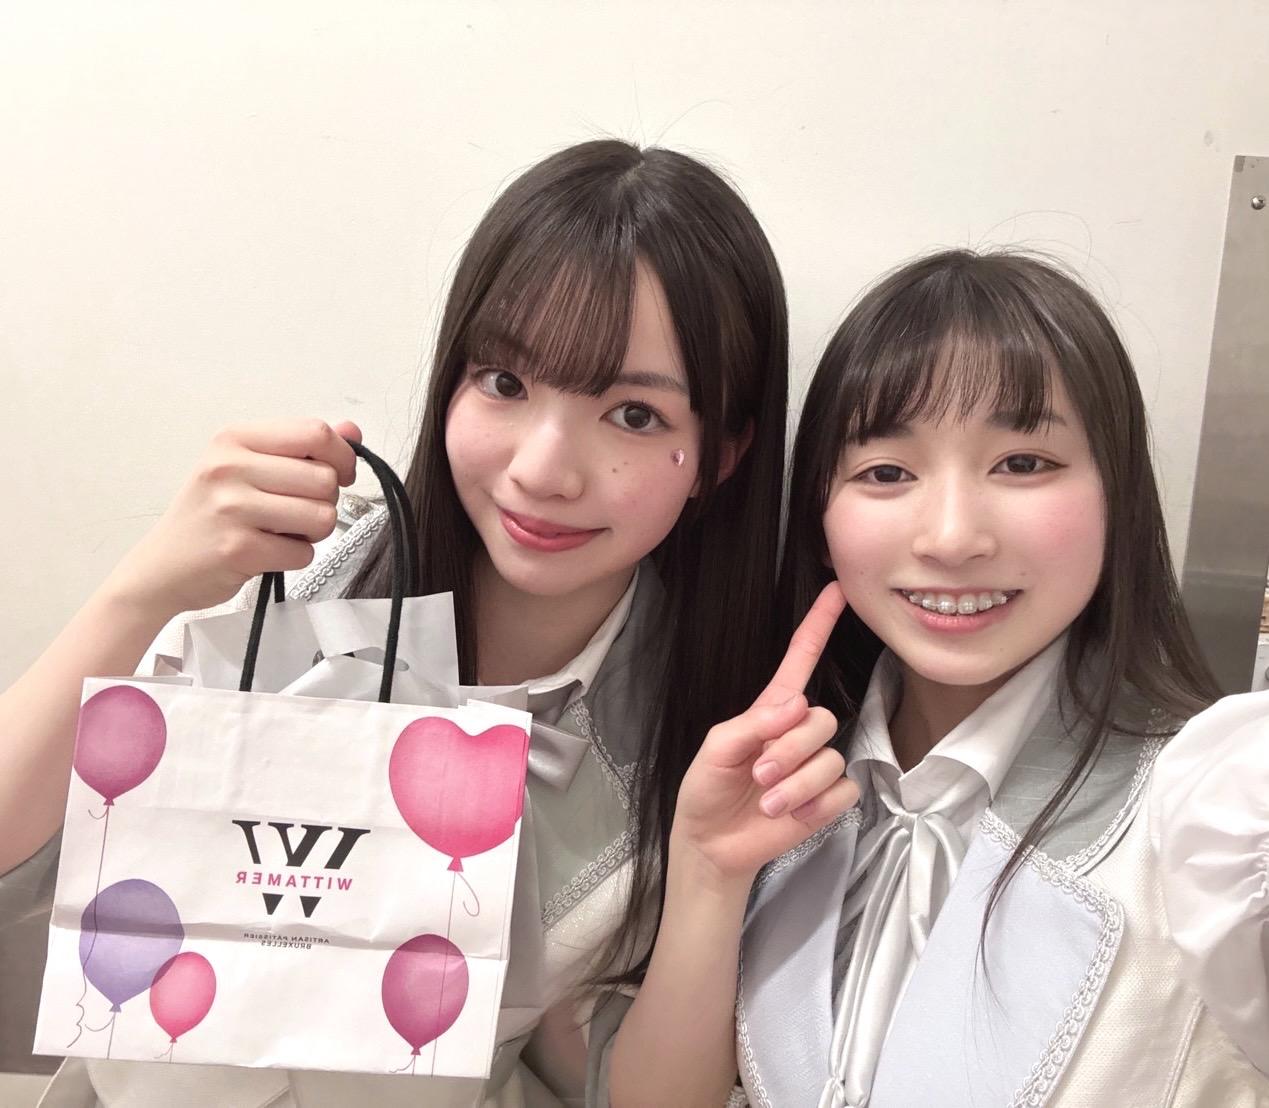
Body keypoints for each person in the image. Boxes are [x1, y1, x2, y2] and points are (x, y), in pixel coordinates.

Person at [0, 139, 811, 1108]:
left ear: (720, 454)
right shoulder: (305, 582)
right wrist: (140, 592)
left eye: (634, 415)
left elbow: (620, 1089)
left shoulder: (692, 753)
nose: (543, 469)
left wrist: (708, 876)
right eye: (505, 383)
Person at [600, 249, 1269, 1107]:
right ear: (821, 517)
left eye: (1022, 463)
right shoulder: (783, 787)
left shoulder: (1220, 809)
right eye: (886, 473)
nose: (951, 537)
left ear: (1119, 496)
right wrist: (706, 872)